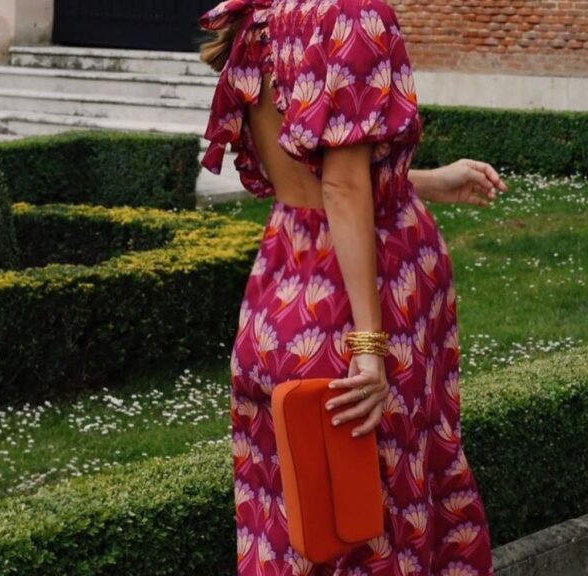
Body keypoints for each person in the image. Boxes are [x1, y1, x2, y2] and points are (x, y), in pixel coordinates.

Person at [198, 0, 507, 574]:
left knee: (297, 522)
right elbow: (341, 188)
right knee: (377, 527)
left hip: (283, 294)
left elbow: (309, 178)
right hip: (358, 307)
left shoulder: (263, 18)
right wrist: (369, 348)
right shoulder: (355, 15)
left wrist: (426, 183)